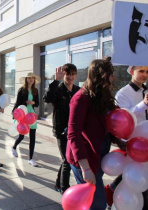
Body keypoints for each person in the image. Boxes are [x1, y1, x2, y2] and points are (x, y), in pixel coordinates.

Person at [66, 59, 117, 210]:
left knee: (91, 200)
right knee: (97, 203)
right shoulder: (80, 98)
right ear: (101, 76)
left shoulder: (102, 94)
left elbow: (108, 123)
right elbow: (73, 133)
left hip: (99, 154)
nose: (113, 77)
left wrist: (119, 142)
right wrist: (86, 169)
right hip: (84, 158)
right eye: (110, 74)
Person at [104, 65, 148, 208]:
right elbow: (123, 118)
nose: (144, 75)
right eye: (141, 71)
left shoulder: (146, 91)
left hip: (146, 142)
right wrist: (144, 104)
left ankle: (113, 189)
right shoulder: (123, 93)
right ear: (131, 71)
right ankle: (114, 192)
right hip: (134, 145)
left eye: (147, 72)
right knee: (136, 180)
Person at [43, 64, 80, 194]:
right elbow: (47, 98)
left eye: (72, 74)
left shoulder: (77, 90)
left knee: (67, 160)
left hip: (75, 130)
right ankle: (64, 190)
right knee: (67, 160)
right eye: (67, 74)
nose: (70, 77)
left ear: (75, 75)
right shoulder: (58, 89)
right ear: (63, 74)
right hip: (61, 130)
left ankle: (59, 183)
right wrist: (55, 81)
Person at [11, 72, 40, 167]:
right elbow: (17, 102)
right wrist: (14, 113)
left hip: (31, 116)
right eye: (29, 78)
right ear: (26, 79)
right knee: (21, 136)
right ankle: (14, 147)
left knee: (32, 137)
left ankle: (31, 158)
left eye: (32, 78)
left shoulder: (35, 90)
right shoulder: (22, 90)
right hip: (23, 115)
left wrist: (33, 102)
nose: (31, 80)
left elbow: (37, 103)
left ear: (34, 80)